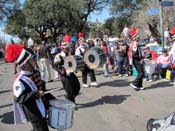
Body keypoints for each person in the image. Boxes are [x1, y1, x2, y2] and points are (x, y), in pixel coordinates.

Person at [13, 48, 54, 131]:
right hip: (34, 113)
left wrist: (51, 98)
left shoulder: (36, 73)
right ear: (25, 64)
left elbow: (43, 90)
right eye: (31, 60)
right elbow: (19, 98)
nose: (34, 61)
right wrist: (36, 94)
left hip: (42, 108)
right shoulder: (20, 81)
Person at [53, 34, 80, 103]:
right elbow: (54, 66)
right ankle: (72, 103)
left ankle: (69, 97)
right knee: (69, 90)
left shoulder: (70, 55)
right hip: (64, 75)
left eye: (69, 48)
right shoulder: (58, 56)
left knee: (77, 87)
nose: (68, 49)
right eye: (67, 48)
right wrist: (61, 71)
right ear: (63, 48)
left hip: (71, 73)